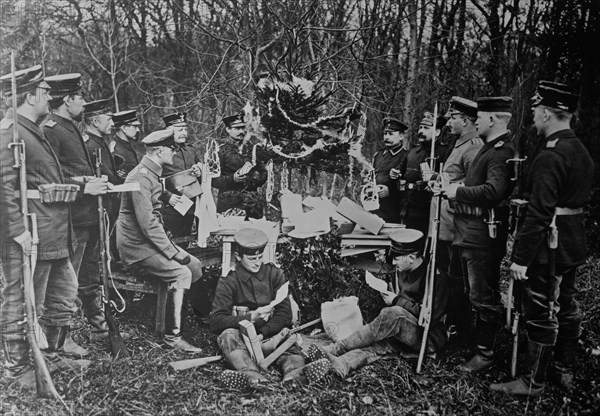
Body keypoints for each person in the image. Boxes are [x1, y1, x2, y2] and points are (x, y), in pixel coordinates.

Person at [491, 82, 594, 396]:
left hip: (549, 245)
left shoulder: (551, 154)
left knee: (540, 309)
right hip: (572, 242)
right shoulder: (579, 149)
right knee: (565, 304)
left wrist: (520, 259)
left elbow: (540, 212)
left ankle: (532, 382)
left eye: (536, 111)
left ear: (548, 113)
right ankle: (564, 368)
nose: (533, 117)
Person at [0, 65, 95, 389]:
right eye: (44, 91)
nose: (49, 97)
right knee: (23, 300)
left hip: (53, 233)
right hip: (31, 235)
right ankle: (17, 367)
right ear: (30, 95)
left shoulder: (33, 128)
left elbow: (46, 179)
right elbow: (3, 186)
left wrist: (76, 183)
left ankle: (52, 352)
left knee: (63, 294)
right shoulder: (10, 131)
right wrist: (17, 230)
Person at [310, 229, 448, 378]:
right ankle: (341, 364)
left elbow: (429, 316)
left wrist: (396, 300)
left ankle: (336, 348)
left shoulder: (435, 278)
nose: (393, 263)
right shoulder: (402, 270)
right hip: (403, 333)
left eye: (397, 258)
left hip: (427, 338)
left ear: (412, 257)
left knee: (393, 314)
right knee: (372, 347)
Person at [442, 96, 515, 373]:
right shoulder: (490, 148)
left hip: (483, 237)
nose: (477, 121)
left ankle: (486, 353)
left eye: (481, 117)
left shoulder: (499, 151)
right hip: (470, 234)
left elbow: (494, 191)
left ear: (493, 119)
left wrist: (457, 191)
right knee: (473, 293)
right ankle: (474, 341)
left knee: (483, 296)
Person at [43, 73, 115, 354]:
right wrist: (86, 187)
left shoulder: (69, 127)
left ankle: (99, 327)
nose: (85, 103)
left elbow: (76, 170)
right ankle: (61, 339)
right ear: (68, 99)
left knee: (88, 277)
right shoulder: (51, 129)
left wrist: (93, 181)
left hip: (88, 216)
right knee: (65, 282)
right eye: (81, 98)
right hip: (71, 217)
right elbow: (52, 176)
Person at [116, 129, 203, 352]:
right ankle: (172, 339)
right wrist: (173, 253)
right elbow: (147, 224)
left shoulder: (152, 173)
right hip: (136, 247)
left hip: (149, 242)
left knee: (194, 266)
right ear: (161, 150)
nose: (175, 153)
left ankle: (175, 321)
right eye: (172, 149)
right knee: (181, 271)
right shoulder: (140, 177)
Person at [210, 228, 331, 387]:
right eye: (251, 258)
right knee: (228, 336)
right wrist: (250, 318)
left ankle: (295, 374)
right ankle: (250, 376)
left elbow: (285, 314)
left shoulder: (274, 274)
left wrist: (263, 333)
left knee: (288, 339)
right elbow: (216, 320)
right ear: (238, 257)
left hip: (271, 335)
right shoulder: (229, 280)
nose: (257, 262)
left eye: (260, 257)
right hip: (242, 339)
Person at [434, 97, 483, 340]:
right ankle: (451, 322)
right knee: (449, 275)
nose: (448, 122)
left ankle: (459, 327)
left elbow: (475, 185)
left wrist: (451, 186)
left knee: (458, 280)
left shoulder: (473, 145)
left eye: (452, 117)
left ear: (465, 120)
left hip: (458, 225)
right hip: (447, 223)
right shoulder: (460, 143)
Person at [401, 112, 449, 236]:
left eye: (426, 128)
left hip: (429, 211)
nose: (421, 131)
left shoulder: (445, 152)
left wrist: (434, 177)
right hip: (408, 209)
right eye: (420, 127)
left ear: (437, 132)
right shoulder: (413, 151)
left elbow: (448, 179)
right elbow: (400, 174)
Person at [212, 113, 267, 219]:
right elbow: (212, 180)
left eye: (243, 128)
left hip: (253, 203)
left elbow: (263, 173)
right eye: (237, 128)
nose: (241, 131)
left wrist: (257, 178)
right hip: (229, 203)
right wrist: (232, 179)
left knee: (254, 233)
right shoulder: (219, 151)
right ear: (228, 129)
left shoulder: (254, 149)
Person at [160, 111, 203, 238]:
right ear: (168, 131)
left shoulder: (191, 149)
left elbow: (202, 169)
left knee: (185, 242)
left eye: (185, 129)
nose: (184, 133)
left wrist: (199, 170)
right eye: (179, 130)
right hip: (169, 208)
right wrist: (167, 197)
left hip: (190, 208)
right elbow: (152, 179)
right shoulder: (162, 151)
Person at [372, 117, 409, 224]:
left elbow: (406, 183)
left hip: (392, 212)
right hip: (373, 209)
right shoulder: (378, 155)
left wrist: (390, 191)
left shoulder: (406, 156)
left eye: (391, 134)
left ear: (401, 136)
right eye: (385, 134)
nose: (386, 137)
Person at [111, 109, 143, 180]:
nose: (138, 130)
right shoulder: (116, 150)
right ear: (124, 128)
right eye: (135, 126)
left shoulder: (127, 145)